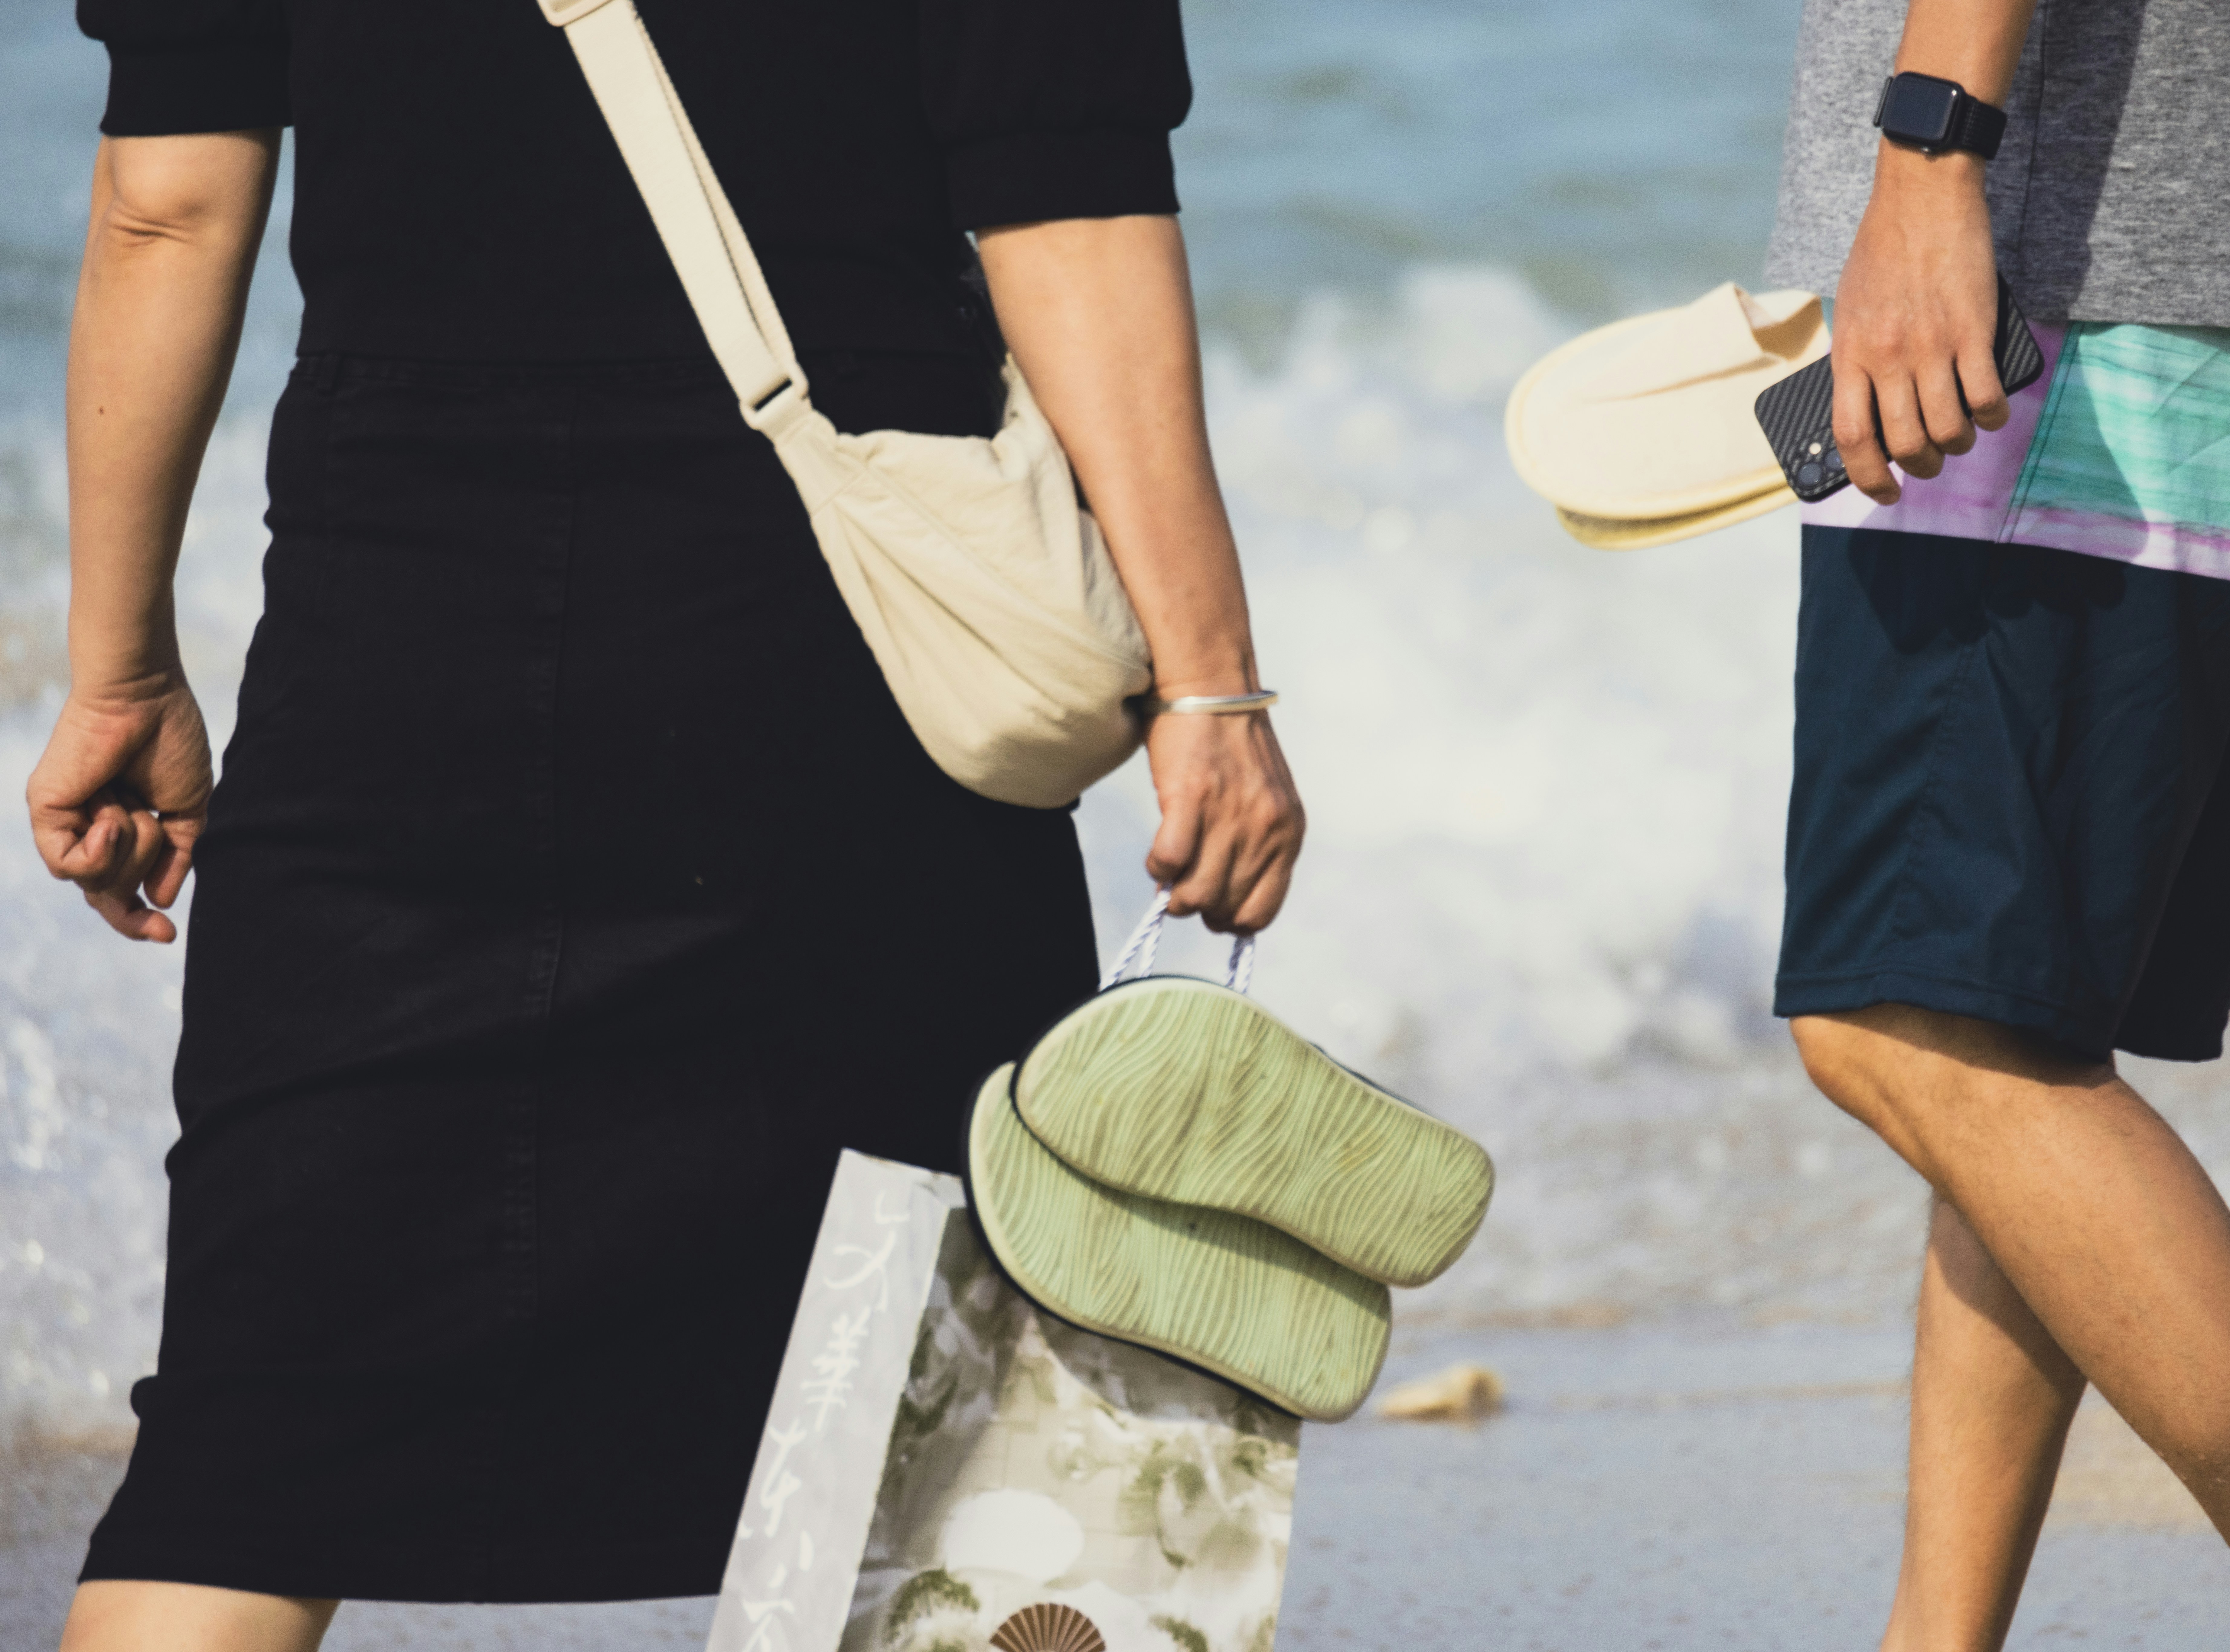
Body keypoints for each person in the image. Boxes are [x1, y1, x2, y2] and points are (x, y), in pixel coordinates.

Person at [29, 0, 1302, 1645]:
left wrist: (118, 664)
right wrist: (1209, 686)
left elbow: (166, 201)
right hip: (834, 674)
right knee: (967, 1445)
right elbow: (1070, 202)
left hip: (400, 655)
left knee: (251, 1436)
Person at [1765, 0, 2230, 1645]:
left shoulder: (1984, 169)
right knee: (2010, 1029)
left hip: (2078, 231)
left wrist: (1934, 140)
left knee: (1909, 1029)